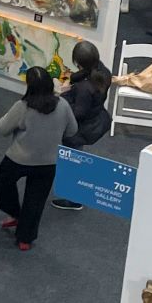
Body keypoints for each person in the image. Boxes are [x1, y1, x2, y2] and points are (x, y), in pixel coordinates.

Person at [0, 67, 78, 250]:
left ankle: (15, 214)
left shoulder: (22, 107)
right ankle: (25, 238)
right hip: (48, 162)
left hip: (19, 159)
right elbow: (73, 130)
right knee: (36, 200)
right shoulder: (62, 105)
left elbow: (2, 128)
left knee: (3, 185)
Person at [49, 41, 113, 213]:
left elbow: (77, 113)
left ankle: (74, 199)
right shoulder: (103, 72)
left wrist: (62, 97)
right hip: (94, 119)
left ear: (78, 62)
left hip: (80, 128)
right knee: (75, 157)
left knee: (73, 159)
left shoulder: (85, 88)